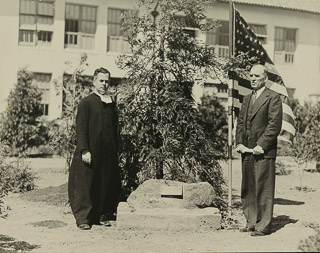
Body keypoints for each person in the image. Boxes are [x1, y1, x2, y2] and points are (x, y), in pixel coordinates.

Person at [68, 67, 122, 230]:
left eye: (107, 81)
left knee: (104, 183)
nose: (104, 84)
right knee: (86, 184)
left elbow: (115, 129)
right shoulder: (86, 103)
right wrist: (84, 149)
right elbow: (81, 128)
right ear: (94, 82)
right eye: (101, 81)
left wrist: (115, 149)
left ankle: (100, 215)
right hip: (89, 151)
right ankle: (83, 218)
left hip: (106, 152)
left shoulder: (111, 104)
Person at [235, 64, 282, 236]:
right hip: (247, 150)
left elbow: (274, 125)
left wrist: (261, 145)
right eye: (251, 75)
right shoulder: (247, 98)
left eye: (257, 76)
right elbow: (240, 123)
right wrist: (239, 143)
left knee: (263, 188)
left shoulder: (273, 97)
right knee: (248, 187)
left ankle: (263, 226)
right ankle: (251, 222)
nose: (253, 79)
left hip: (263, 151)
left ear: (265, 78)